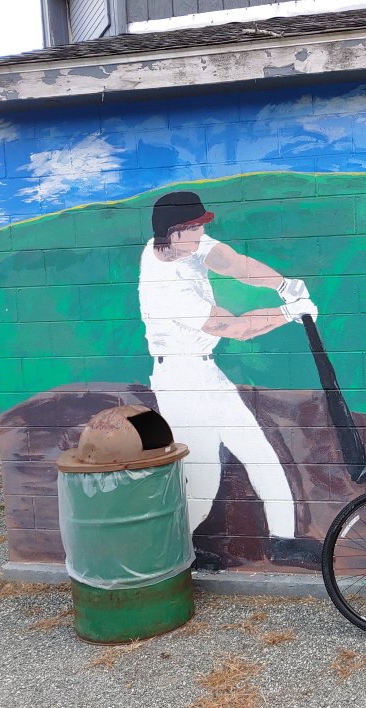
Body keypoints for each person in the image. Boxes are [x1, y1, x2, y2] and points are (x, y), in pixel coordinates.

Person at [138, 190, 319, 569]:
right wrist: (290, 313)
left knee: (259, 451)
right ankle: (173, 552)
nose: (202, 234)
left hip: (204, 370)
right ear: (175, 232)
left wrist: (283, 284)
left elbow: (232, 263)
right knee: (203, 476)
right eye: (195, 228)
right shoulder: (167, 285)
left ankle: (284, 542)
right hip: (181, 381)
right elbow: (235, 328)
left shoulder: (176, 244)